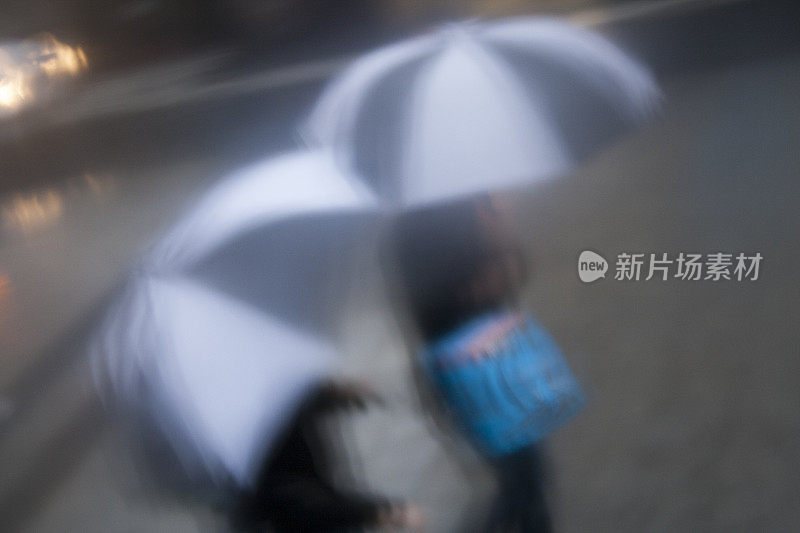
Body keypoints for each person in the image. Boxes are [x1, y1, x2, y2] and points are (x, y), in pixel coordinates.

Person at [385, 194, 582, 532]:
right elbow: (483, 286)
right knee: (522, 481)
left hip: (481, 367)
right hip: (478, 373)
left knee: (525, 479)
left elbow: (513, 273)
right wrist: (494, 235)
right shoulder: (426, 226)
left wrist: (498, 227)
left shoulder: (433, 216)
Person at [234, 379, 425, 532]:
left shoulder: (264, 400)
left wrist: (336, 395)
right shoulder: (256, 432)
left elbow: (297, 399)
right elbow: (305, 507)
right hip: (301, 511)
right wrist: (380, 513)